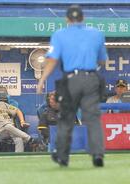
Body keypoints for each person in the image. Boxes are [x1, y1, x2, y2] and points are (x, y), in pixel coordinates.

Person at [37, 5, 107, 167]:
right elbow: (102, 60)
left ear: (67, 19)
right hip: (91, 78)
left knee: (66, 117)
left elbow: (52, 59)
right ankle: (98, 155)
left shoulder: (60, 34)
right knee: (93, 118)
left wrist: (42, 79)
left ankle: (62, 155)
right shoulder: (96, 34)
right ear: (83, 18)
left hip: (71, 80)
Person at [0, 87, 34, 152]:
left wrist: (22, 121)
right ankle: (29, 139)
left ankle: (18, 158)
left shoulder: (2, 104)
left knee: (18, 139)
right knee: (8, 126)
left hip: (11, 128)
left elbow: (17, 110)